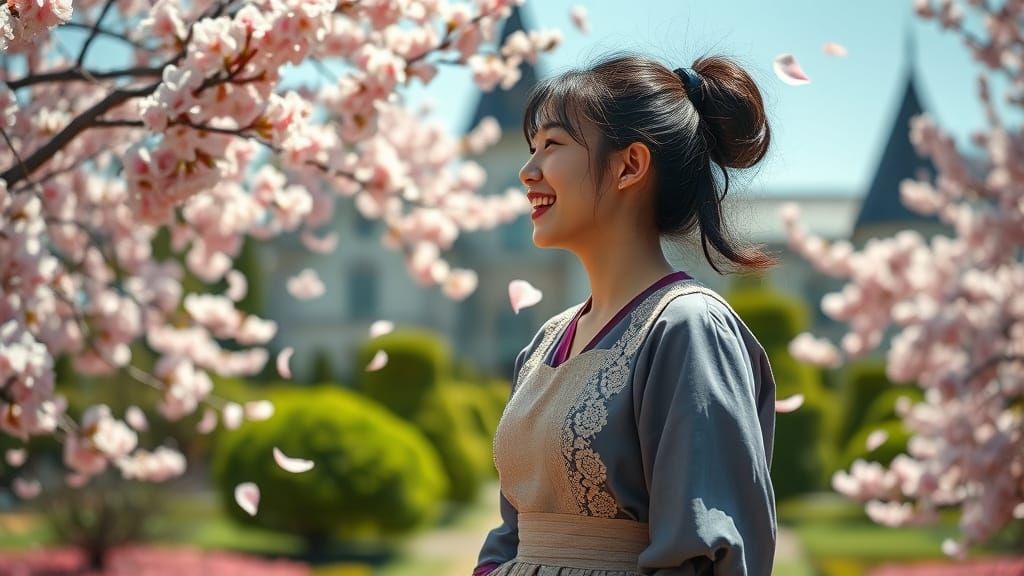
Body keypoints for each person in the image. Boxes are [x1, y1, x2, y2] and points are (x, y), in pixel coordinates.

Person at [473, 52, 779, 576]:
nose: (528, 172)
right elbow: (512, 534)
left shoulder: (688, 329)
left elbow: (707, 552)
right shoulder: (544, 341)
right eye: (531, 148)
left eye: (553, 145)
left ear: (630, 165)